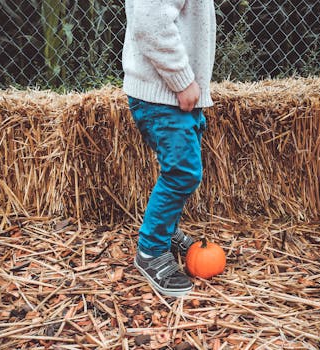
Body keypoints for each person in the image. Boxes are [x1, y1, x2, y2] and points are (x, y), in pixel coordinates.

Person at [122, 0, 216, 297]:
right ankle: (150, 251)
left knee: (181, 169)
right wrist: (182, 80)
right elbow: (151, 25)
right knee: (182, 172)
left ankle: (166, 230)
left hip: (173, 95)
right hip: (165, 94)